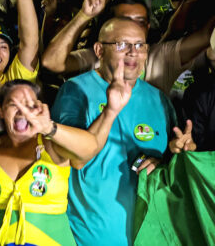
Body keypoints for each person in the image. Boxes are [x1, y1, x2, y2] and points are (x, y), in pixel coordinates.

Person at [52, 17, 193, 246]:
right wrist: (110, 110)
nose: (133, 53)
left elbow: (172, 169)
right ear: (99, 50)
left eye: (140, 45)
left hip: (149, 235)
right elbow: (72, 157)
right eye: (121, 45)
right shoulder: (75, 91)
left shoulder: (158, 99)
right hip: (91, 237)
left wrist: (177, 156)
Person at [0, 80, 103, 246]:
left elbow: (91, 147)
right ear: (0, 110)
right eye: (13, 104)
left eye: (29, 105)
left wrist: (49, 128)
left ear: (40, 109)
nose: (22, 111)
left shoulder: (51, 145)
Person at [42, 0, 213, 95]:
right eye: (124, 20)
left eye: (139, 21)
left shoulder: (161, 57)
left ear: (147, 26)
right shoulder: (97, 56)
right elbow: (52, 62)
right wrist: (84, 15)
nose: (132, 28)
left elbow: (206, 37)